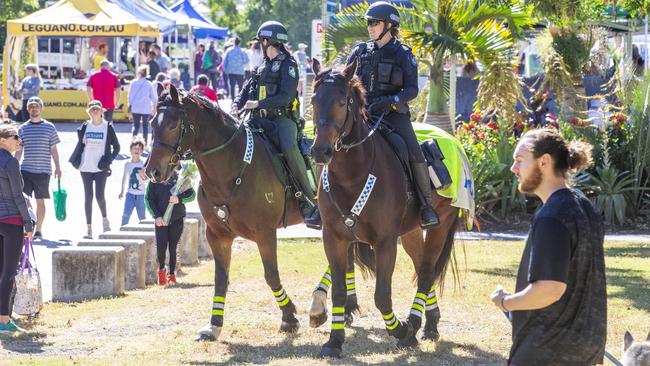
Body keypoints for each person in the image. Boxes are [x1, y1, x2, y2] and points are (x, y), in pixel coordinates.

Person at [490, 128, 607, 365]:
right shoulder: (584, 207)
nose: (513, 168)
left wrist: (505, 301)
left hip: (547, 351)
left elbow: (549, 290)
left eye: (520, 160)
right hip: (585, 348)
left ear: (544, 161)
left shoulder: (551, 217)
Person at [346, 1, 439, 228]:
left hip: (393, 115)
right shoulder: (359, 51)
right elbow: (344, 78)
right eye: (368, 23)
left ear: (389, 25)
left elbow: (412, 89)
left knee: (413, 151)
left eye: (374, 23)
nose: (369, 27)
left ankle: (426, 206)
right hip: (363, 114)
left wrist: (390, 101)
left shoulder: (403, 54)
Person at [233, 21, 320, 228]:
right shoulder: (260, 66)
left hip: (282, 120)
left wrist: (259, 103)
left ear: (267, 40)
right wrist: (237, 105)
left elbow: (286, 95)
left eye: (261, 41)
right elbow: (245, 91)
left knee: (290, 149)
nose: (260, 45)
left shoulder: (288, 65)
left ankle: (309, 202)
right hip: (258, 120)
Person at [69, 100, 120, 239]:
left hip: (100, 168)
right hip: (85, 167)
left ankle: (105, 220)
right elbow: (81, 145)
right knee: (88, 197)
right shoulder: (85, 126)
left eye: (97, 109)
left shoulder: (107, 127)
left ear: (102, 111)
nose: (95, 111)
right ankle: (89, 229)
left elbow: (117, 147)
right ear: (89, 112)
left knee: (99, 196)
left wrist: (107, 161)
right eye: (92, 109)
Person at [0, 124, 33, 333]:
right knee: (9, 273)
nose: (18, 141)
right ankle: (3, 320)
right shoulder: (10, 163)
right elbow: (18, 196)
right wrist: (28, 223)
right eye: (15, 137)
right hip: (12, 222)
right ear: (2, 140)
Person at [15, 97, 61, 239]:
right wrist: (14, 167)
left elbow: (53, 149)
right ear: (28, 109)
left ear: (41, 108)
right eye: (31, 107)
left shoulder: (50, 127)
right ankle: (28, 227)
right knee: (25, 201)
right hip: (26, 170)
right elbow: (19, 150)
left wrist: (58, 167)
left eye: (36, 106)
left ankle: (39, 230)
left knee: (40, 202)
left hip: (43, 171)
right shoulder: (22, 128)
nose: (34, 109)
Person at [145, 169, 195, 286]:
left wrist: (179, 199)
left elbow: (192, 195)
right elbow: (148, 199)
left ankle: (172, 275)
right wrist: (156, 216)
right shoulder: (154, 179)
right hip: (161, 221)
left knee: (173, 248)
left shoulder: (181, 178)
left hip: (177, 218)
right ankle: (162, 270)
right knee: (161, 249)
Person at [119, 138, 148, 226]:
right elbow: (124, 178)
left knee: (142, 217)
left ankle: (144, 235)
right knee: (126, 215)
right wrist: (122, 192)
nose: (137, 150)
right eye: (135, 148)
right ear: (130, 150)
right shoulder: (127, 164)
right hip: (130, 194)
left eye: (139, 149)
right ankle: (122, 231)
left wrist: (143, 175)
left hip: (141, 195)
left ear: (142, 151)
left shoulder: (144, 164)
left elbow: (147, 180)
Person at [128, 65, 157, 145]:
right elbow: (154, 98)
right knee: (145, 127)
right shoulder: (149, 84)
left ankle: (133, 142)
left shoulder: (133, 83)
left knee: (136, 126)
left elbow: (130, 96)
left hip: (135, 108)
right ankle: (145, 143)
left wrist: (129, 106)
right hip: (146, 108)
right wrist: (154, 108)